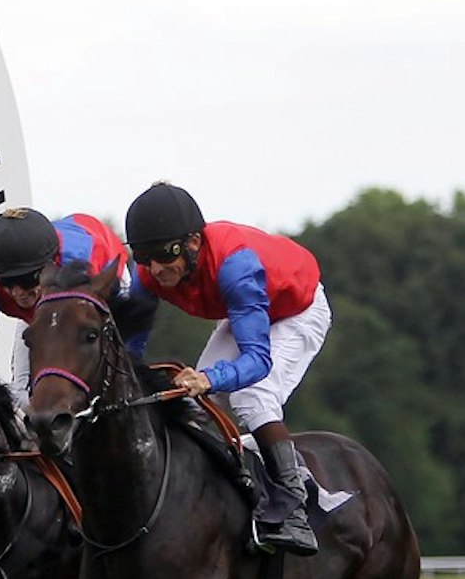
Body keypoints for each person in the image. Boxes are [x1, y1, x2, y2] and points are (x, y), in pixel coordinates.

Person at [122, 181, 331, 556]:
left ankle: (292, 507)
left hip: (298, 311)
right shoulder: (148, 275)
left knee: (252, 395)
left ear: (193, 243)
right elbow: (130, 348)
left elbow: (257, 359)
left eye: (165, 253)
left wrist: (208, 378)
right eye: (143, 255)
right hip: (251, 312)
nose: (155, 267)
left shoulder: (236, 267)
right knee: (195, 405)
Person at [0, 206, 158, 396]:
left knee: (115, 366)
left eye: (27, 280)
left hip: (104, 274)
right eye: (8, 282)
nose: (18, 292)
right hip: (48, 304)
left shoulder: (77, 261)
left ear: (52, 264)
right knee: (21, 391)